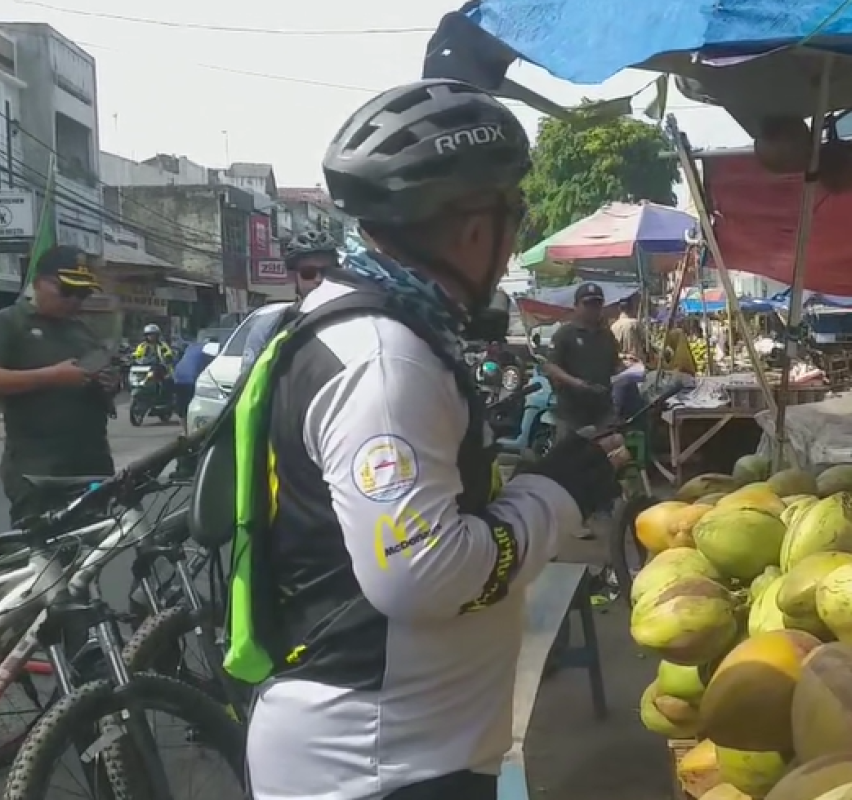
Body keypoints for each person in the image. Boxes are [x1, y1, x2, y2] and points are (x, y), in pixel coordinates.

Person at [239, 79, 627, 800]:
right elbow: (424, 574)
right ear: (478, 227)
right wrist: (556, 494)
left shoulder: (378, 326)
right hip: (379, 765)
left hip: (406, 750)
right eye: (516, 216)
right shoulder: (384, 360)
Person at [0, 245, 117, 524]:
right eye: (67, 291)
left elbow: (97, 370)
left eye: (82, 294)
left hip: (91, 462)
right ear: (39, 284)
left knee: (93, 555)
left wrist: (108, 382)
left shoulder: (80, 329)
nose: (75, 301)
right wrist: (53, 376)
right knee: (45, 557)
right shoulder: (9, 323)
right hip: (39, 468)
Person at [239, 229, 341, 372]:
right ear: (295, 277)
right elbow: (247, 384)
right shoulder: (270, 327)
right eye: (308, 273)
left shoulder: (358, 322)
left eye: (326, 272)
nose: (318, 279)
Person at [545, 283, 620, 439]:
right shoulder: (565, 334)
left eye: (597, 304)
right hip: (572, 411)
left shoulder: (607, 335)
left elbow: (615, 365)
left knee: (605, 454)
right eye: (587, 304)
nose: (593, 308)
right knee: (570, 457)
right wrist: (576, 382)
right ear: (576, 306)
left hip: (602, 408)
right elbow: (551, 366)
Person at [172, 337, 217, 427]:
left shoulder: (191, 347)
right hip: (192, 379)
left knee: (182, 407)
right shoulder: (210, 351)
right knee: (198, 406)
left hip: (178, 377)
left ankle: (185, 432)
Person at [611, 293, 645, 364]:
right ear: (631, 308)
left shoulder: (613, 326)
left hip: (620, 365)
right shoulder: (635, 323)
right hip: (636, 363)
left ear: (619, 308)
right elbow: (645, 343)